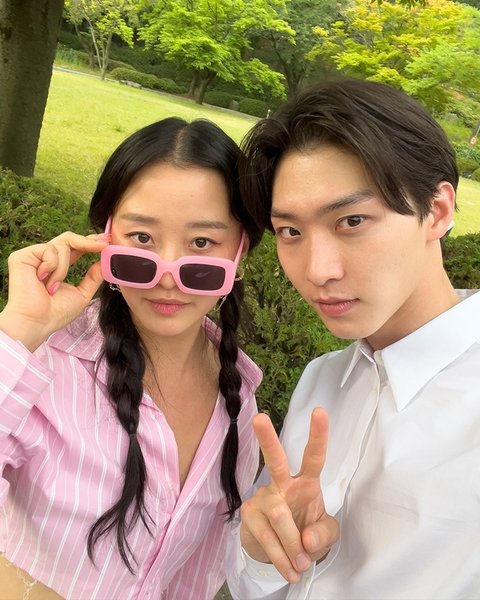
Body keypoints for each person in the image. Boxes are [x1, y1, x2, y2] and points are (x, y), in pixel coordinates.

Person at [226, 77, 480, 599]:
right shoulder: (323, 380)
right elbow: (255, 583)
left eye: (352, 220)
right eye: (290, 232)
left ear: (436, 211)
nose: (317, 270)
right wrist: (266, 551)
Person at [0, 117, 263, 599]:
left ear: (239, 251)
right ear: (105, 236)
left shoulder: (239, 397)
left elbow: (199, 572)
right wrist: (19, 331)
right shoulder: (45, 364)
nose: (168, 275)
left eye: (202, 243)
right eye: (142, 238)